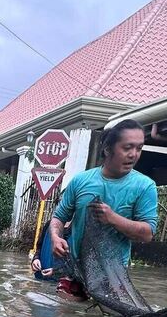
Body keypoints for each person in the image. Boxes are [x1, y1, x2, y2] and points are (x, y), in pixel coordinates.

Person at [49, 119, 158, 299]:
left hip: (113, 276)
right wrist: (55, 237)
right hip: (74, 269)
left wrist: (113, 218)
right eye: (127, 147)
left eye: (139, 148)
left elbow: (147, 234)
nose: (134, 154)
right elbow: (59, 217)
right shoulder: (80, 181)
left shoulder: (145, 187)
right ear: (108, 149)